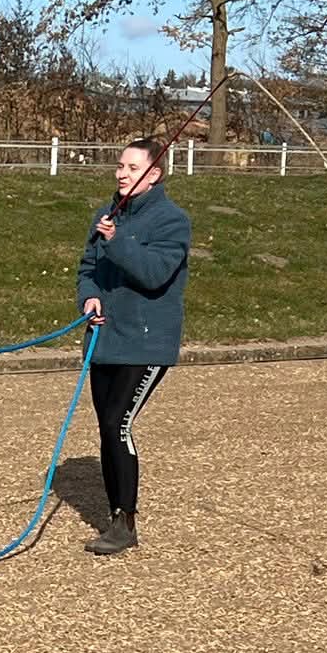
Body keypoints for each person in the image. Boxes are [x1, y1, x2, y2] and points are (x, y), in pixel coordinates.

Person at [75, 136, 191, 555]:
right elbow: (87, 269)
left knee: (117, 424)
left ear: (154, 174)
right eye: (120, 167)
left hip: (146, 344)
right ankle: (113, 516)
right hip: (105, 339)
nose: (122, 174)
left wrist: (117, 241)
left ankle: (126, 522)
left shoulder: (172, 221)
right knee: (105, 427)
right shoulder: (104, 215)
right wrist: (88, 298)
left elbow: (155, 273)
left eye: (131, 168)